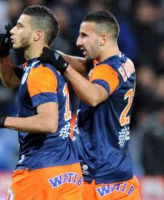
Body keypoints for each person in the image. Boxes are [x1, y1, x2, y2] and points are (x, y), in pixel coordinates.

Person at [0, 5, 83, 200]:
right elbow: (12, 80)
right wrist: (2, 54)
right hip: (68, 172)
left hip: (39, 172)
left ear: (37, 35)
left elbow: (48, 122)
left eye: (20, 26)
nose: (12, 30)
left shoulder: (39, 72)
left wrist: (0, 120)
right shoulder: (43, 67)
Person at [40, 10, 140, 199]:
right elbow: (85, 65)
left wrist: (63, 67)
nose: (78, 42)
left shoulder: (107, 70)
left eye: (84, 35)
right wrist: (56, 56)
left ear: (103, 39)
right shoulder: (123, 63)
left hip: (97, 176)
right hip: (121, 175)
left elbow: (94, 96)